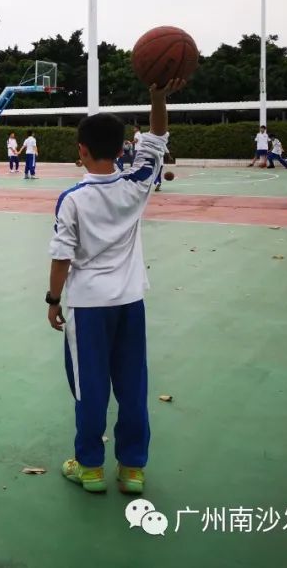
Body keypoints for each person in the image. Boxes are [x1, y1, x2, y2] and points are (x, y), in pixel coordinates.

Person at [47, 78, 185, 496]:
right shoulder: (138, 183)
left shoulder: (72, 198)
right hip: (130, 302)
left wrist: (53, 300)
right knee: (132, 385)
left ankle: (90, 467)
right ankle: (132, 469)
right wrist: (158, 95)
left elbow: (62, 256)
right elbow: (158, 138)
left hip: (88, 307)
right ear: (123, 147)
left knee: (91, 389)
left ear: (82, 150)